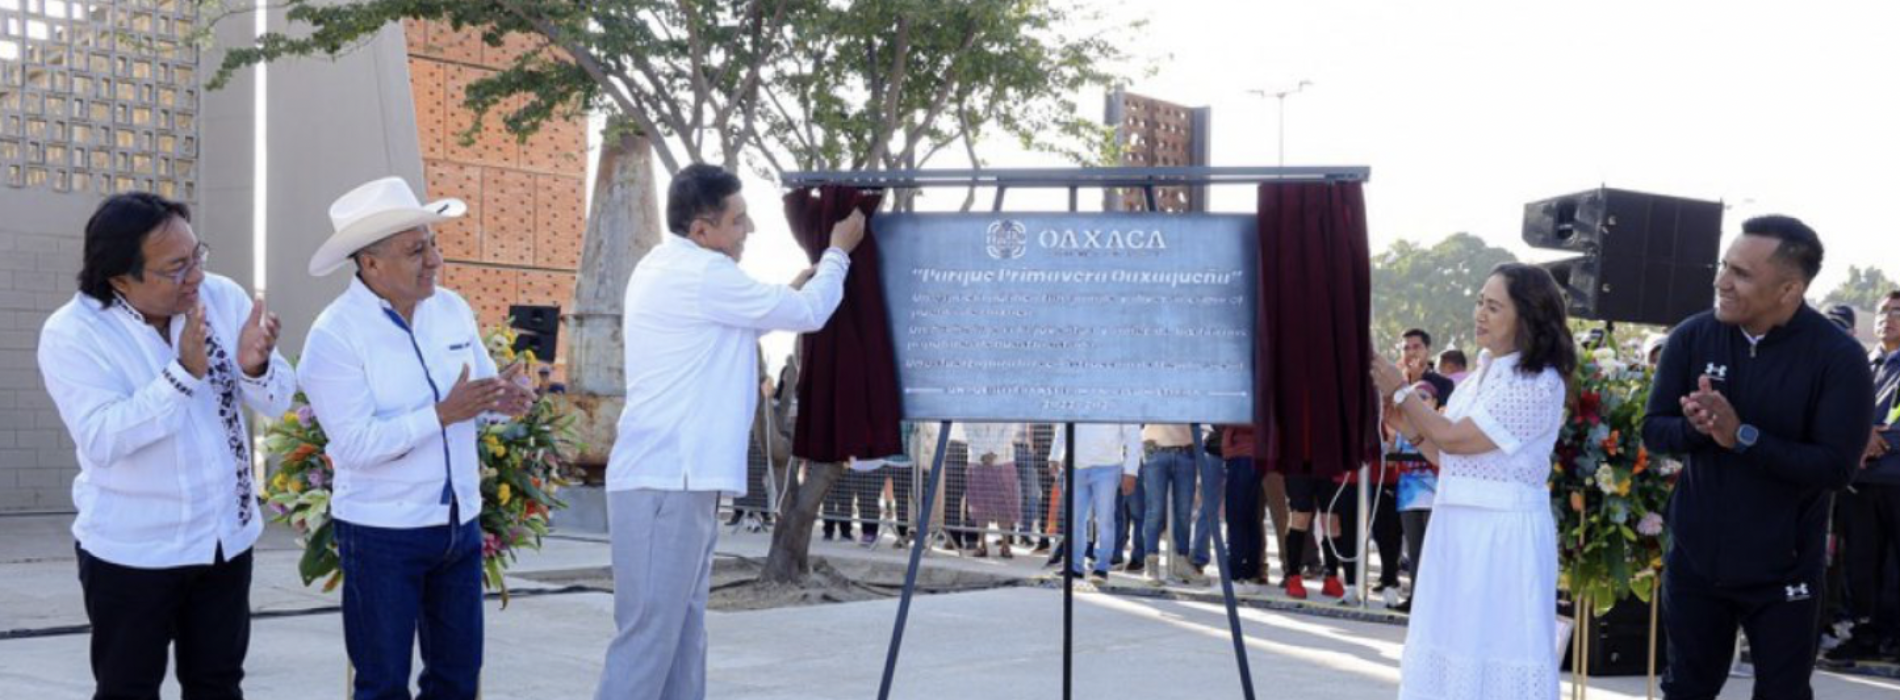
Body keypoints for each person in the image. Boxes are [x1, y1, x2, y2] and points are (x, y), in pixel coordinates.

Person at [595, 163, 865, 700]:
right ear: (702, 230)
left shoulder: (673, 265)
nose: (750, 231)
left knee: (683, 635)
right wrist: (838, 252)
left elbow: (750, 316)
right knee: (651, 639)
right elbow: (810, 313)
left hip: (677, 481)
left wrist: (792, 284)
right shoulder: (702, 274)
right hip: (666, 481)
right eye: (738, 220)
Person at [39, 193, 294, 699]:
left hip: (224, 541)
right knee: (128, 689)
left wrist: (254, 366)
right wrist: (182, 375)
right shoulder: (73, 334)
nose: (195, 276)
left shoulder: (220, 297)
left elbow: (280, 401)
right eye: (176, 268)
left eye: (197, 256)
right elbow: (104, 437)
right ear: (119, 278)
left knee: (218, 686)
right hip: (133, 553)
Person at [298, 176, 536, 700]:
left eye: (432, 243)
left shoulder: (451, 309)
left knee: (456, 679)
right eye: (415, 250)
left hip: (460, 524)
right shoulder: (334, 336)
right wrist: (442, 415)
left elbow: (478, 397)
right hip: (383, 533)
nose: (434, 259)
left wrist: (504, 400)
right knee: (382, 684)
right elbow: (356, 446)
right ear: (371, 264)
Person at [1641, 215, 1872, 700]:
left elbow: (1835, 467)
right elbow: (1654, 431)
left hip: (1784, 571)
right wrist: (1697, 428)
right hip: (1696, 561)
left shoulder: (1837, 357)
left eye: (1741, 273)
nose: (1722, 281)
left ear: (1789, 289)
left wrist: (1743, 436)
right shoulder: (1691, 337)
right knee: (1685, 689)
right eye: (1725, 266)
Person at [1375, 263, 1576, 700]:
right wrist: (1409, 429)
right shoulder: (1479, 376)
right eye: (1479, 303)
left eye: (1493, 306)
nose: (1480, 315)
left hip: (1503, 537)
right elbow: (1451, 457)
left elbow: (1452, 436)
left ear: (1526, 315)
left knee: (1498, 651)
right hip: (1457, 529)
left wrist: (1403, 391)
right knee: (1449, 647)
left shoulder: (1538, 381)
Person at [1824, 290, 1900, 664]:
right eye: (1884, 311)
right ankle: (1863, 632)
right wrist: (1858, 436)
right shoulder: (1863, 362)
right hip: (1860, 477)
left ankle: (1894, 636)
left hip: (1896, 475)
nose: (1888, 317)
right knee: (1860, 562)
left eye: (1898, 311)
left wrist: (1879, 438)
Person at [1050, 423, 1143, 586]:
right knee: (1074, 520)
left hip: (1108, 468)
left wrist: (1131, 471)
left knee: (1105, 520)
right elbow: (1063, 424)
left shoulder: (1122, 398)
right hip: (1075, 467)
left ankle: (1102, 568)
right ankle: (1075, 568)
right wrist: (1054, 455)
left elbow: (1133, 436)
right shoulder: (1076, 396)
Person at [1138, 424, 1211, 584]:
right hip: (1155, 450)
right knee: (1155, 511)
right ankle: (1151, 563)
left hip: (1186, 452)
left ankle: (1181, 561)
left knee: (1184, 512)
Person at [962, 423, 1024, 558]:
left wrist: (994, 453)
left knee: (1005, 505)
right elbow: (969, 431)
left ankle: (1006, 544)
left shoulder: (1005, 405)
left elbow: (1010, 429)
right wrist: (982, 453)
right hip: (977, 461)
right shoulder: (970, 405)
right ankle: (981, 543)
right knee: (980, 506)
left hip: (1003, 461)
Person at [1402, 328, 1457, 402]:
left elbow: (1438, 412)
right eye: (1406, 348)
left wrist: (1416, 382)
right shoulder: (1395, 382)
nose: (1411, 353)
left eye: (1416, 347)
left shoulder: (1444, 384)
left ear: (1428, 350)